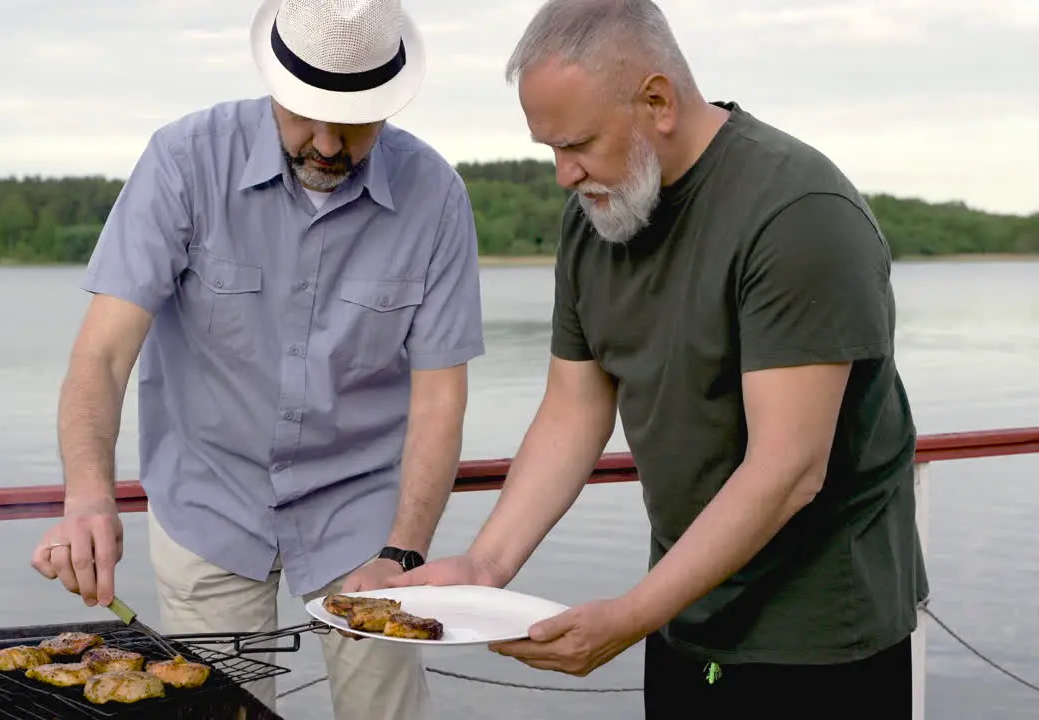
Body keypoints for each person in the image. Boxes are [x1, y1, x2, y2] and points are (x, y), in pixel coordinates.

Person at [389, 1, 928, 718]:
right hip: (683, 620)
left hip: (821, 640)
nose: (561, 174)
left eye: (576, 143)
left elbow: (788, 468)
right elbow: (574, 408)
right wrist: (484, 568)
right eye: (550, 148)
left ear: (657, 100)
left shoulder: (799, 214)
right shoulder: (597, 213)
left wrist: (630, 614)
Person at [29, 0, 484, 718]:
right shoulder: (182, 161)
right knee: (214, 713)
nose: (328, 144)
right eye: (305, 114)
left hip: (362, 515)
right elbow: (103, 355)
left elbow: (439, 399)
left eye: (355, 121)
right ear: (274, 82)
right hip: (207, 505)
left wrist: (403, 552)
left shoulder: (437, 197)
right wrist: (88, 496)